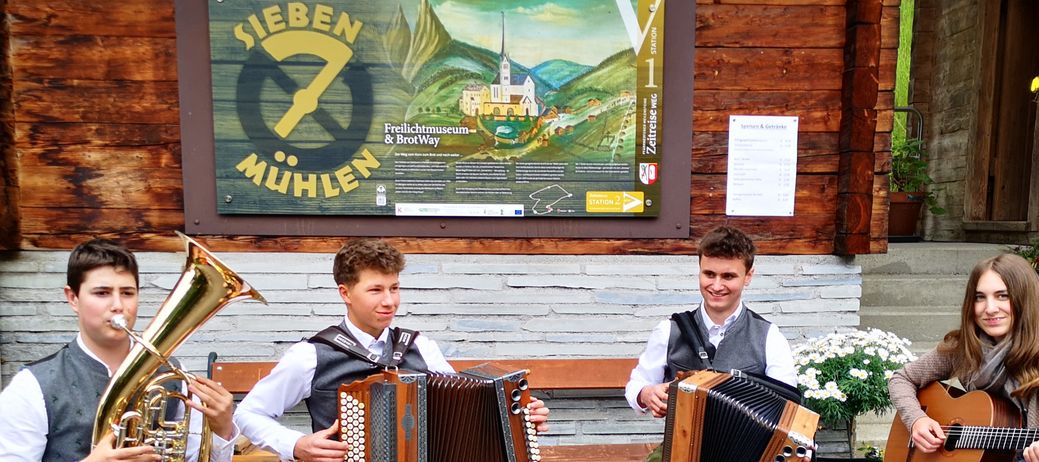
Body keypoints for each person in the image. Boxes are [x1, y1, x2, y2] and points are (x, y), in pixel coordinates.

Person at [235, 238, 550, 462]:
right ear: (345, 293)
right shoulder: (312, 355)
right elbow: (248, 414)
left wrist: (519, 417)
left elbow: (473, 413)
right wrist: (296, 444)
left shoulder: (420, 347)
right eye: (375, 290)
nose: (389, 301)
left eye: (394, 288)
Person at [0, 238, 238, 462]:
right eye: (102, 293)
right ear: (73, 298)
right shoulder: (31, 386)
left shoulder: (173, 373)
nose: (118, 306)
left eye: (127, 293)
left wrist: (221, 429)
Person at [624, 225, 801, 461]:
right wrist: (646, 394)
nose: (716, 286)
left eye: (728, 276)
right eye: (709, 274)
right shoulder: (669, 330)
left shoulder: (769, 336)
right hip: (681, 450)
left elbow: (788, 409)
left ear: (748, 276)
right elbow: (638, 383)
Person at [889, 253, 1039, 462]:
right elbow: (901, 378)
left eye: (1002, 296)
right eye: (980, 297)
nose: (989, 309)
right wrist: (917, 420)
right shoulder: (965, 348)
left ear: (1026, 300)